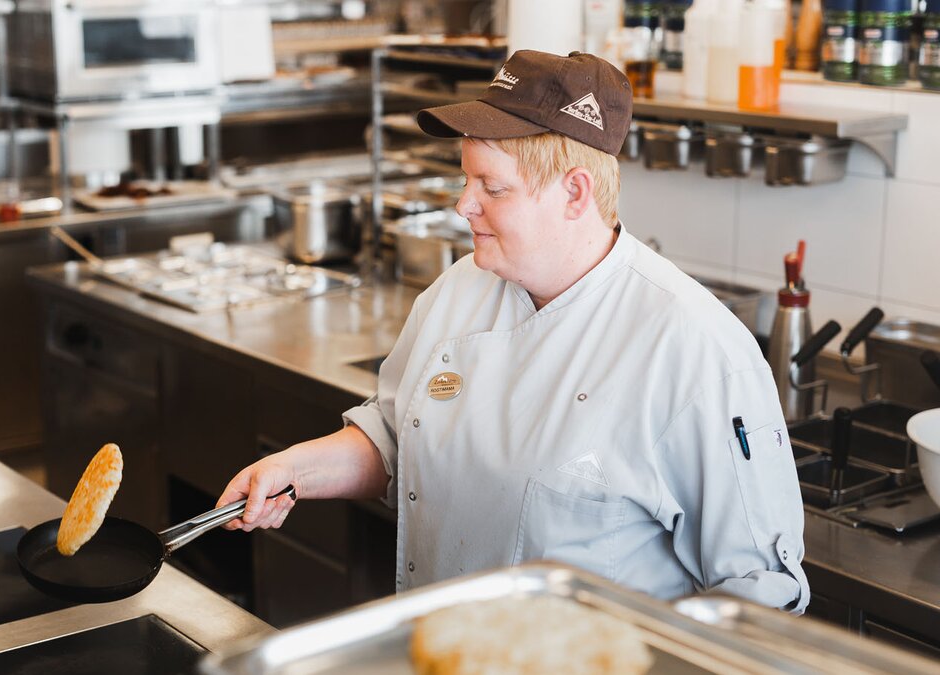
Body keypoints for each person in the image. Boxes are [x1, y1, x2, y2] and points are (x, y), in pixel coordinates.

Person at [216, 50, 809, 613]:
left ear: (574, 193)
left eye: (491, 187)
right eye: (466, 180)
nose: (462, 205)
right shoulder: (459, 291)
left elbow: (759, 592)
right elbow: (400, 440)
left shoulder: (696, 350)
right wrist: (296, 471)